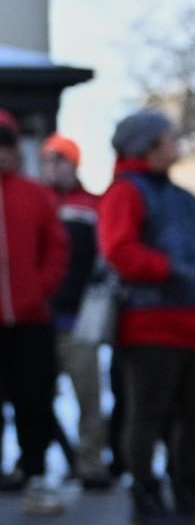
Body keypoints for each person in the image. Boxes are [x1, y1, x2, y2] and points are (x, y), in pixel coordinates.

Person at [98, 110, 195, 525]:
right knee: (147, 415)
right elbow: (119, 251)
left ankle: (189, 490)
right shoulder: (125, 192)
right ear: (147, 146)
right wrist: (171, 269)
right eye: (169, 137)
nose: (176, 143)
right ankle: (145, 496)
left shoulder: (181, 195)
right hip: (151, 327)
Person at [0, 109, 70, 513]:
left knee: (34, 401)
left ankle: (35, 474)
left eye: (6, 146)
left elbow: (57, 247)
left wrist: (41, 289)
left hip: (31, 321)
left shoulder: (35, 194)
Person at [40, 132, 110, 490]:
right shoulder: (38, 202)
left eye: (60, 160)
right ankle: (51, 459)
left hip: (80, 321)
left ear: (74, 164)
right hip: (39, 321)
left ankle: (90, 463)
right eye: (48, 160)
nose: (54, 167)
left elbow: (104, 260)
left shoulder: (92, 206)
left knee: (89, 399)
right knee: (35, 398)